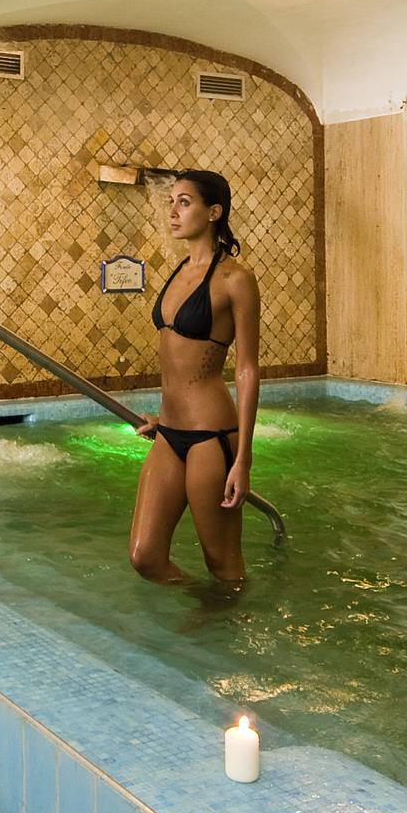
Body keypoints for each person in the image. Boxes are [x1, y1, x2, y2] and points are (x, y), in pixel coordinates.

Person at [127, 170, 261, 586]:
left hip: (211, 436)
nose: (173, 211)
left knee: (223, 565)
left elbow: (247, 369)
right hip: (169, 432)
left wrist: (243, 459)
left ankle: (228, 617)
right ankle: (205, 607)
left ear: (214, 212)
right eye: (171, 202)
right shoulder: (180, 270)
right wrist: (164, 417)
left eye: (184, 203)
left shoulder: (235, 279)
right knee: (145, 557)